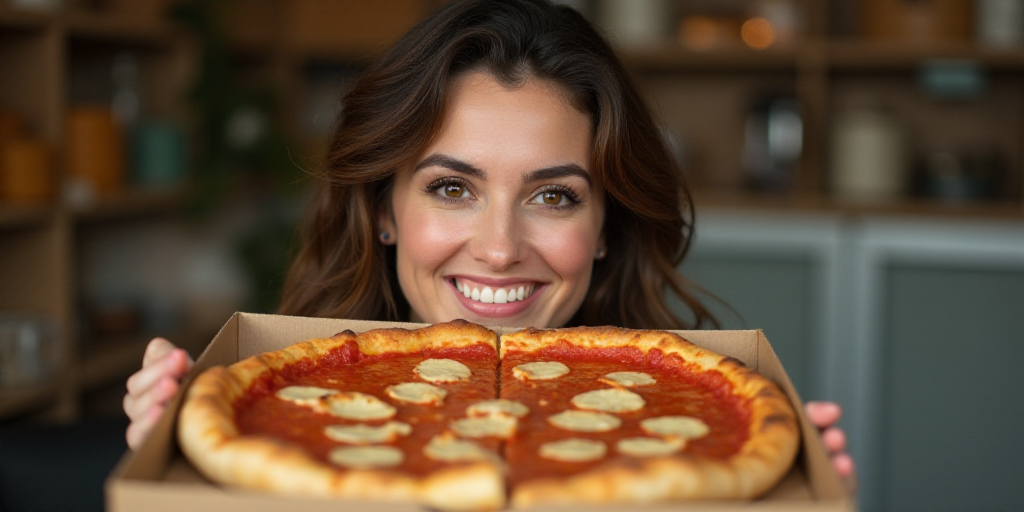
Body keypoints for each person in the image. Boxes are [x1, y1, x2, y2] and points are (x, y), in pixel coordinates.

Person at [122, 0, 854, 481]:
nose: (500, 248)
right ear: (383, 208)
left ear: (605, 228)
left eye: (554, 196)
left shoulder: (704, 418)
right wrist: (173, 467)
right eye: (452, 188)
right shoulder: (272, 406)